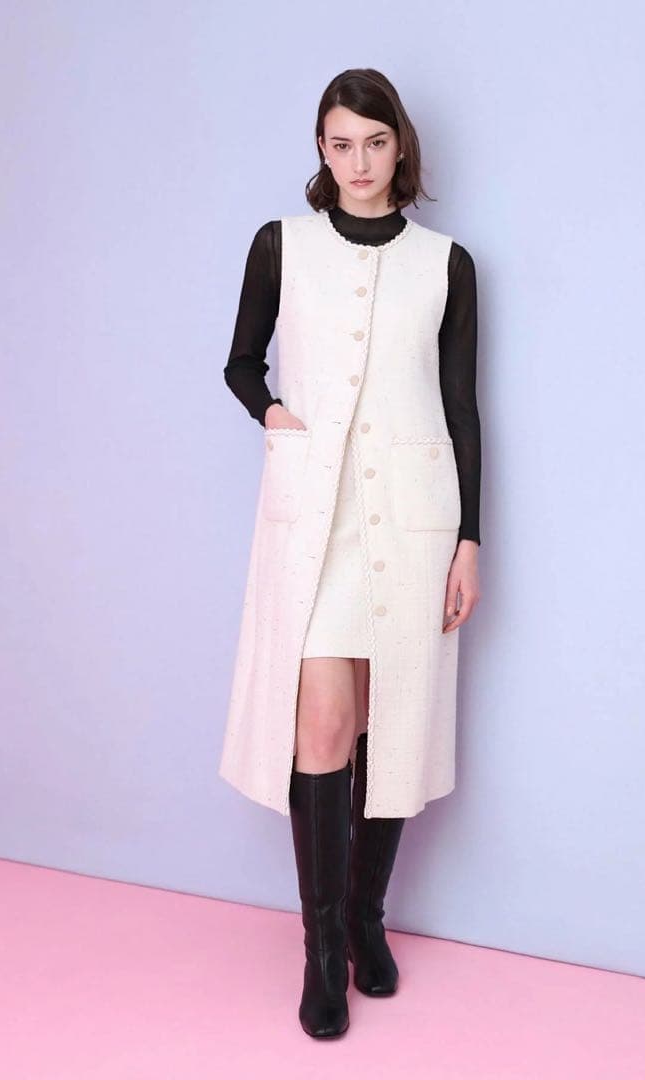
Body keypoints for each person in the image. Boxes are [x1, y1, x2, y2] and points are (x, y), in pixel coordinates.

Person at [220, 67, 481, 1039]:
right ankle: (323, 949)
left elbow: (461, 410)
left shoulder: (446, 264)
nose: (359, 162)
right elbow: (241, 362)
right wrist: (275, 416)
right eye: (341, 145)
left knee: (393, 722)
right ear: (321, 151)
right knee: (324, 725)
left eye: (375, 143)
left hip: (415, 522)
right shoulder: (281, 246)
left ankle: (369, 917)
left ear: (398, 146)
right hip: (318, 522)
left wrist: (469, 539)